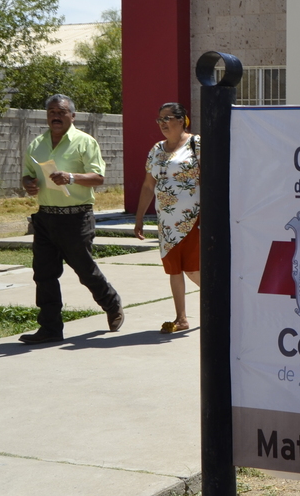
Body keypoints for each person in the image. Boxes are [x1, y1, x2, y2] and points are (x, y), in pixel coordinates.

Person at [19, 94, 124, 344]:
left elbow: (98, 178)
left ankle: (111, 303)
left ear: (72, 116)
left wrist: (71, 177)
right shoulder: (37, 144)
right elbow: (27, 175)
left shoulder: (84, 142)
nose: (56, 116)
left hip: (76, 218)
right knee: (44, 274)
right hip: (46, 218)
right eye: (51, 112)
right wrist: (28, 184)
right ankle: (50, 328)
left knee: (85, 271)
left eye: (61, 112)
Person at [134, 102, 201, 333]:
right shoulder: (156, 149)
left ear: (181, 120)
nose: (162, 123)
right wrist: (140, 218)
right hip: (166, 222)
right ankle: (181, 318)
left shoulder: (196, 144)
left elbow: (209, 178)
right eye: (159, 119)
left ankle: (222, 302)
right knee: (174, 268)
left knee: (193, 269)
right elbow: (148, 185)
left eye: (167, 118)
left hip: (192, 218)